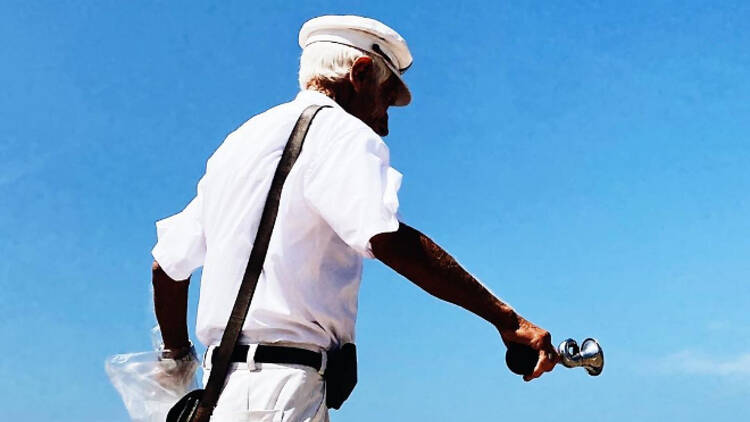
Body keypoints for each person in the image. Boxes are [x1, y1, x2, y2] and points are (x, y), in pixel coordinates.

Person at [151, 15, 558, 422]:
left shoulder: (238, 144)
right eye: (386, 98)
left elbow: (166, 266)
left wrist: (177, 361)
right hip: (280, 396)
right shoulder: (341, 132)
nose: (383, 122)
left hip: (217, 394)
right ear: (360, 74)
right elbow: (386, 238)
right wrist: (508, 320)